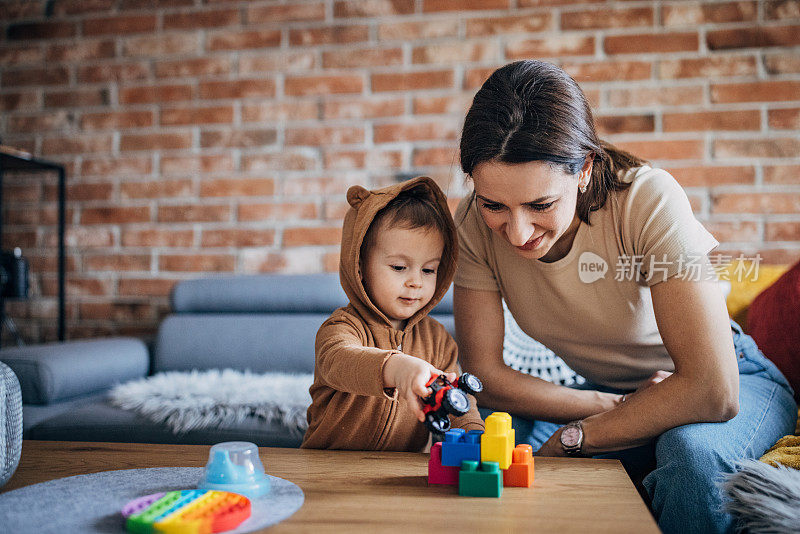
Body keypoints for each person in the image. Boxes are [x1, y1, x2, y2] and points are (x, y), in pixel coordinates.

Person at [452, 60, 796, 534]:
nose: (517, 232)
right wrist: (613, 408)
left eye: (540, 205)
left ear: (584, 170)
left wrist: (577, 437)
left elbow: (713, 390)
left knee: (690, 454)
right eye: (495, 205)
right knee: (488, 441)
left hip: (735, 374)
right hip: (621, 394)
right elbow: (484, 377)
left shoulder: (647, 200)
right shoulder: (472, 222)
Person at [302, 176, 484, 451]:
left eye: (428, 270)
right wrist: (397, 368)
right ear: (359, 268)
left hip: (396, 474)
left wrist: (475, 437)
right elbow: (339, 361)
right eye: (399, 267)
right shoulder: (342, 327)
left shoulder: (438, 340)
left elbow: (457, 401)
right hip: (329, 468)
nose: (416, 282)